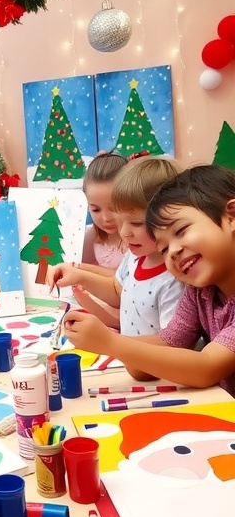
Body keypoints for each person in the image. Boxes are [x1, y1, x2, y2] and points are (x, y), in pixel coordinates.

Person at [64, 164, 235, 396]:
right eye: (163, 248)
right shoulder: (200, 292)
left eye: (181, 230)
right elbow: (168, 345)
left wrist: (110, 343)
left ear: (231, 216)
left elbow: (206, 367)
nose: (173, 251)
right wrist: (110, 343)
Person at [48, 157, 183, 370]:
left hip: (157, 374)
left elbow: (172, 344)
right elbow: (117, 290)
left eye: (136, 223)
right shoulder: (134, 257)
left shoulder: (174, 280)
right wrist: (80, 276)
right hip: (130, 365)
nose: (124, 232)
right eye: (121, 222)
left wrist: (110, 344)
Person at [80, 150, 127, 274]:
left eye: (114, 208)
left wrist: (80, 271)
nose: (106, 218)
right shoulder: (92, 235)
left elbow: (126, 281)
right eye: (95, 209)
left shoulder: (139, 239)